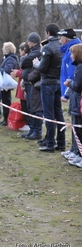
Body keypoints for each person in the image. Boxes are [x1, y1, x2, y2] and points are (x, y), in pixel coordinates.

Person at [33, 23, 65, 152]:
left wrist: (36, 63)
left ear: (48, 33)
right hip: (58, 83)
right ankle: (61, 142)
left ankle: (50, 143)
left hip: (48, 84)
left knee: (49, 114)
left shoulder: (48, 48)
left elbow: (42, 68)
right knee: (59, 113)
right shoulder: (61, 46)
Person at [57, 29, 82, 161]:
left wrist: (66, 91)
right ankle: (74, 149)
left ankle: (79, 152)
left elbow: (75, 81)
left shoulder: (78, 65)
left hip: (75, 96)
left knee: (78, 127)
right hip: (72, 95)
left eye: (61, 37)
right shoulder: (67, 52)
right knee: (74, 124)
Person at [20, 32, 43, 140]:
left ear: (33, 42)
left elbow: (24, 61)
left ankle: (37, 131)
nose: (28, 43)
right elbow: (23, 62)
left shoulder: (37, 52)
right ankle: (32, 129)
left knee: (35, 108)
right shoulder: (32, 52)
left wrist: (25, 59)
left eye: (29, 41)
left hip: (33, 83)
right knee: (30, 107)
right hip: (28, 82)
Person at [0, 42, 19, 125]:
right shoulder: (6, 58)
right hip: (4, 83)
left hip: (7, 84)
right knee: (4, 101)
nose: (2, 50)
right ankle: (5, 118)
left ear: (7, 50)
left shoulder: (10, 59)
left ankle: (7, 119)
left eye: (3, 48)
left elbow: (7, 70)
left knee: (6, 101)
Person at [64, 43, 82, 167]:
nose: (70, 56)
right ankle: (76, 152)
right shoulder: (77, 67)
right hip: (75, 101)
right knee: (76, 129)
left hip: (78, 102)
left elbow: (78, 85)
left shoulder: (80, 68)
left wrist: (69, 83)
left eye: (72, 53)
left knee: (79, 130)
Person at [11, 42, 30, 132]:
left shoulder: (27, 59)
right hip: (22, 85)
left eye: (20, 50)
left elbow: (26, 72)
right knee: (23, 105)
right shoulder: (23, 59)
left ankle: (29, 124)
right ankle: (27, 123)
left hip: (25, 87)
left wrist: (17, 73)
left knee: (26, 106)